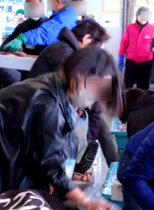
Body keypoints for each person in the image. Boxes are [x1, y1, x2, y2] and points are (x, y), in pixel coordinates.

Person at [0, 47, 123, 210]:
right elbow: (49, 164)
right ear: (81, 75)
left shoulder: (54, 89)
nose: (96, 98)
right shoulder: (47, 100)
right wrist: (86, 202)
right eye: (98, 88)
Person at [27, 19, 118, 166]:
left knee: (99, 124)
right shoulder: (63, 53)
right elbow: (70, 91)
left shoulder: (69, 51)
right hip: (43, 109)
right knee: (91, 124)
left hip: (57, 104)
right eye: (95, 48)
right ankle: (77, 167)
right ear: (86, 39)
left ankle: (106, 167)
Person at [2, 0, 78, 51]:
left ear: (58, 2)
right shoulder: (69, 15)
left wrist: (23, 38)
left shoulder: (63, 19)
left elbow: (44, 32)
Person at [118, 6, 154, 90]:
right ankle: (126, 103)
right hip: (131, 62)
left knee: (143, 88)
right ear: (137, 15)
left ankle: (142, 103)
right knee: (127, 87)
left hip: (146, 63)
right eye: (141, 14)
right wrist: (120, 56)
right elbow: (123, 43)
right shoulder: (130, 27)